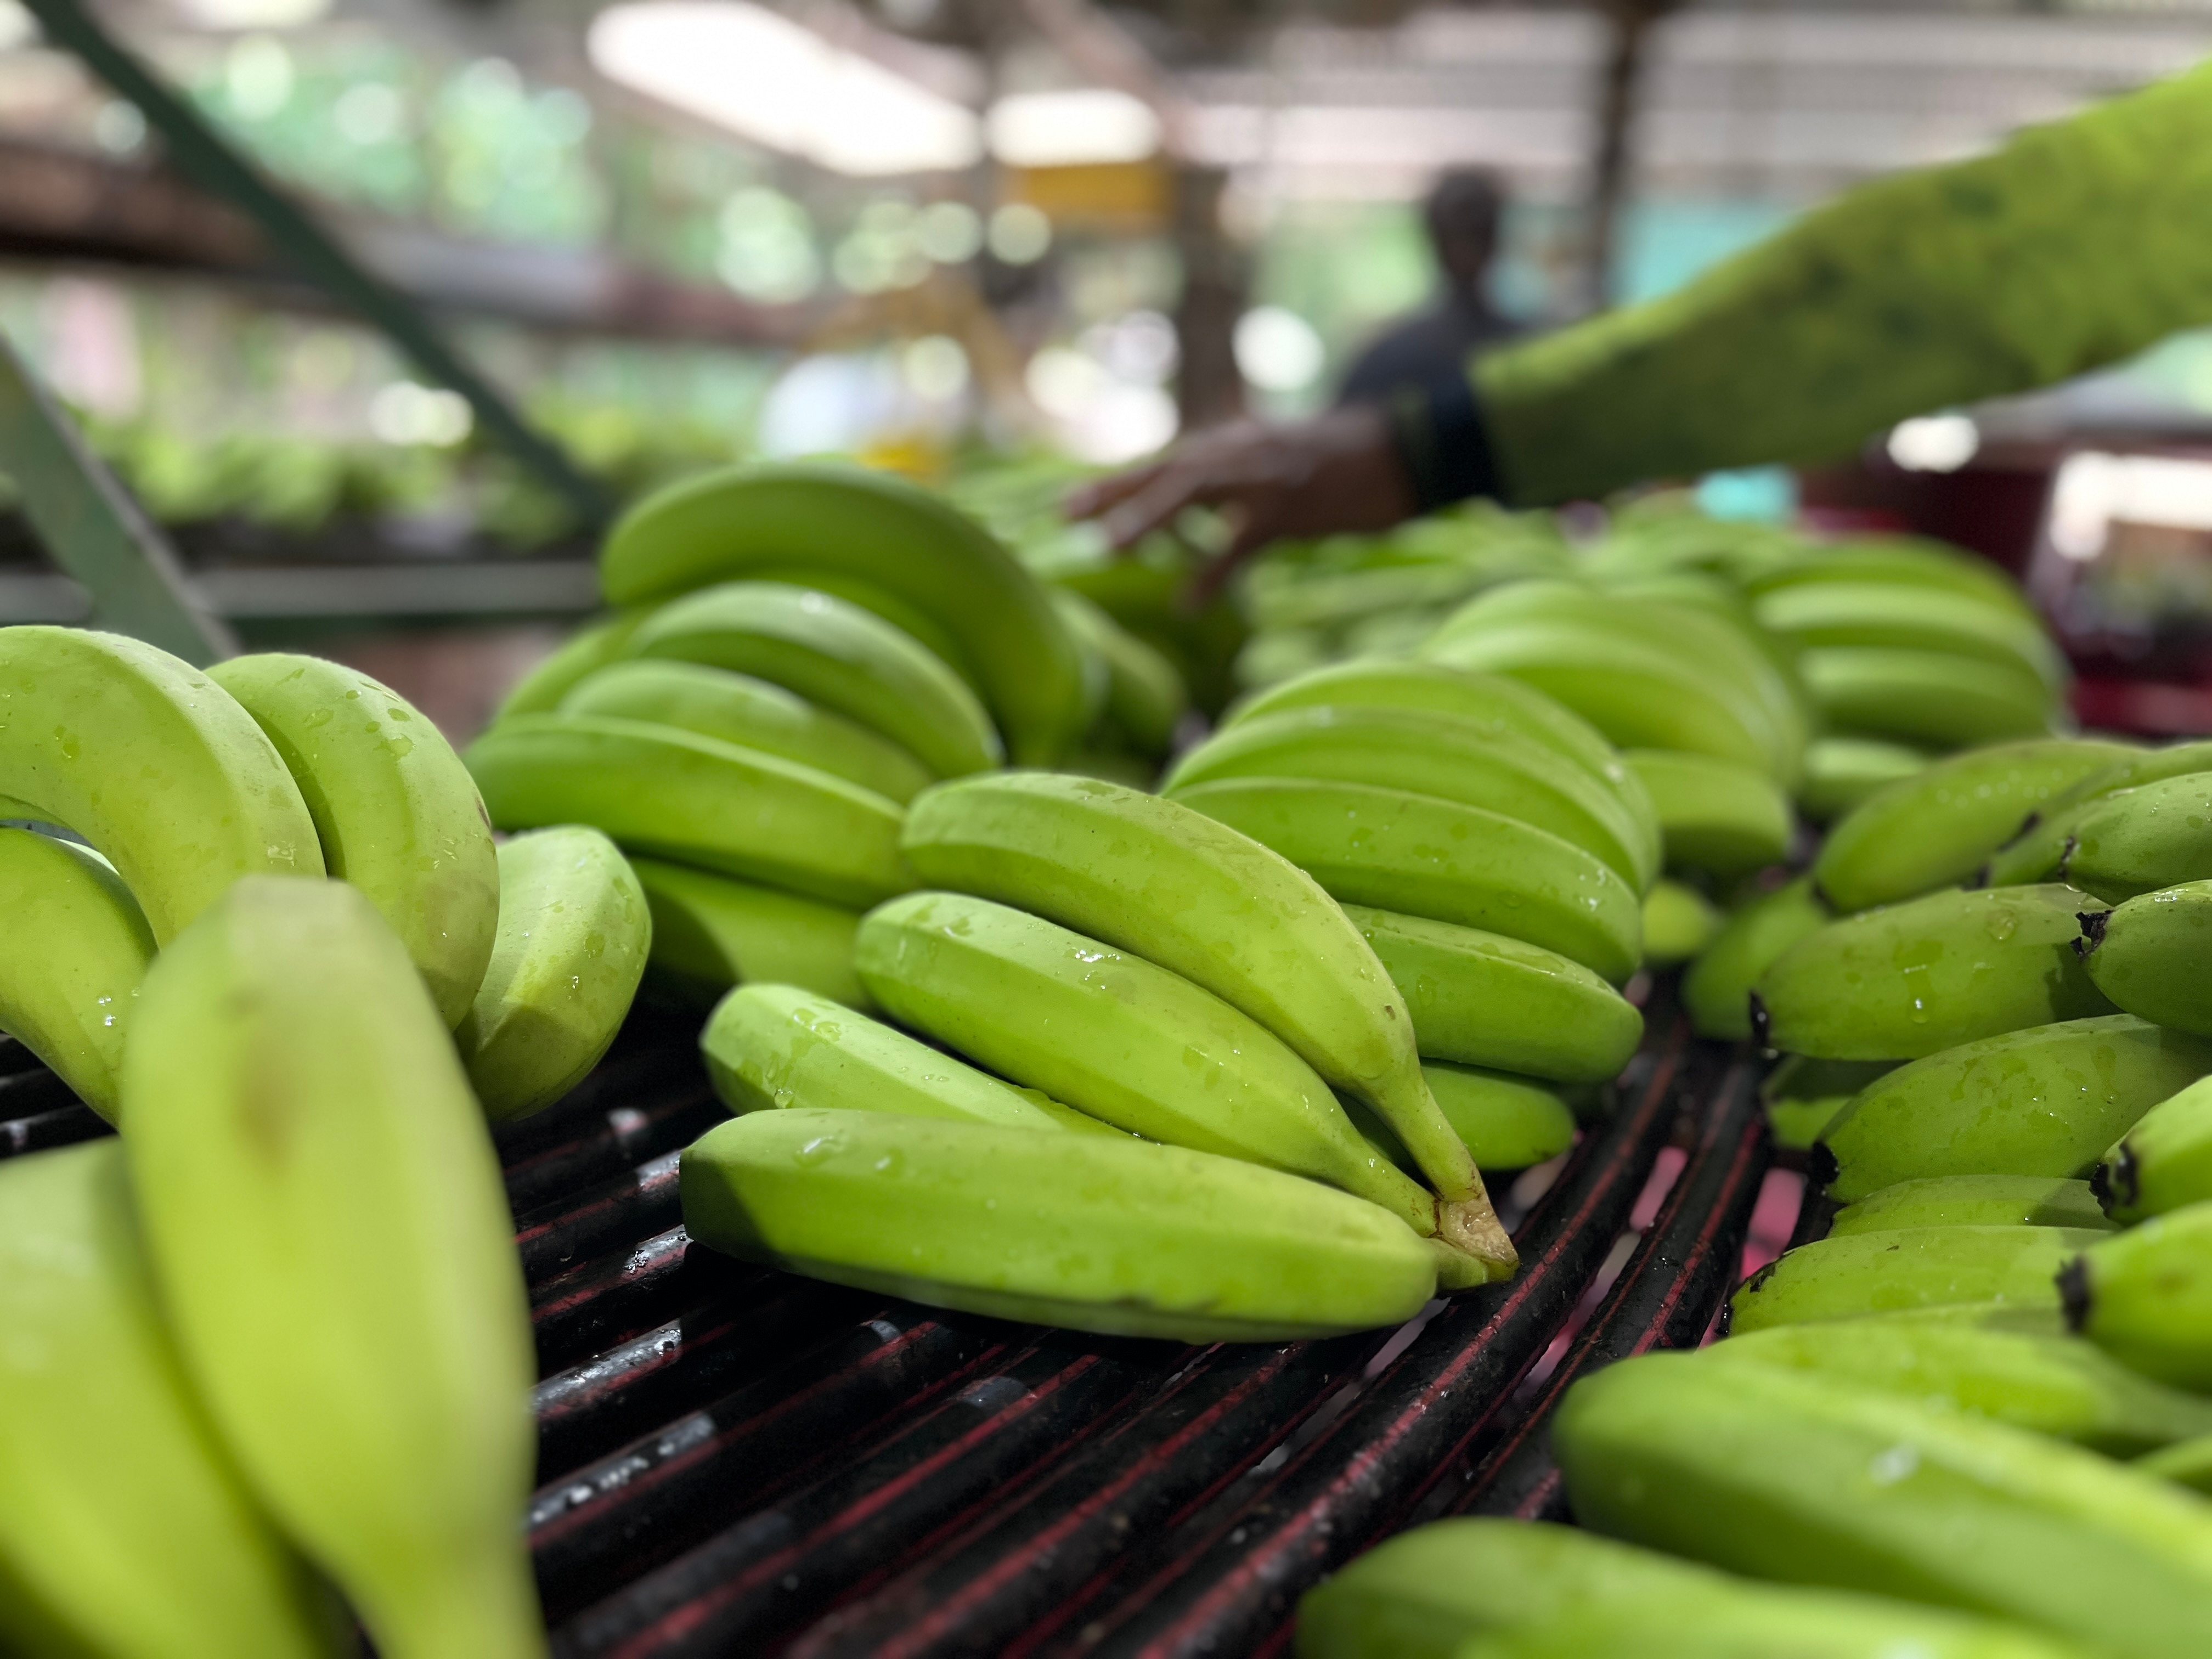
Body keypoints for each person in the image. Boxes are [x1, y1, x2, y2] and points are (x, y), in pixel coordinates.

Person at [1068, 60, 2212, 599]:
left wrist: (1434, 448)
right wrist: (1432, 448)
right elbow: (1987, 269)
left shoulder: (1490, 338)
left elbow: (1976, 273)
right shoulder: (1400, 350)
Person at [1334, 168, 1521, 409]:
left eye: (1475, 229)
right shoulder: (1529, 351)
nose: (1464, 246)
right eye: (1456, 230)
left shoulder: (1390, 355)